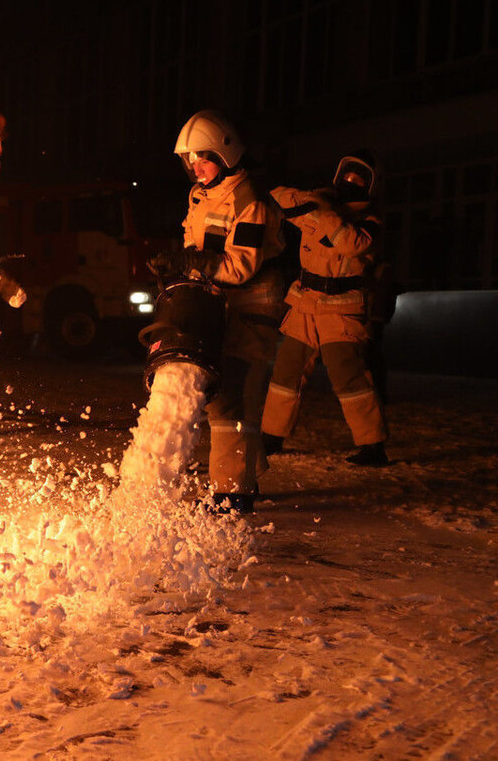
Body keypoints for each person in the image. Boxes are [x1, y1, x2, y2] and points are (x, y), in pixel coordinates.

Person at [150, 110, 287, 513]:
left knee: (233, 398)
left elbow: (241, 265)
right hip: (218, 305)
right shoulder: (201, 195)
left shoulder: (251, 202)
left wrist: (195, 264)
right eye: (189, 161)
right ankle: (247, 471)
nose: (196, 168)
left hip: (252, 308)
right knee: (223, 395)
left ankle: (234, 493)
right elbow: (198, 249)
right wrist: (177, 265)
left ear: (226, 154)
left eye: (203, 158)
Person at [260, 150, 389, 466]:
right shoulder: (320, 206)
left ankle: (373, 445)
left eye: (359, 179)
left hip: (342, 311)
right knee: (285, 373)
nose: (349, 183)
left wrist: (325, 211)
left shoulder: (370, 222)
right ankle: (271, 436)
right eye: (346, 176)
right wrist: (312, 198)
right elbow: (277, 198)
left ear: (370, 186)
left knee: (349, 377)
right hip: (305, 304)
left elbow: (352, 244)